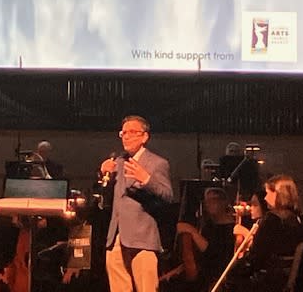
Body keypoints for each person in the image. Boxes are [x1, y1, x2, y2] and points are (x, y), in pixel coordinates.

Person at [99, 115, 173, 292]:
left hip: (143, 238)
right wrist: (103, 177)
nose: (126, 136)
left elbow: (168, 196)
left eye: (132, 132)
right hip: (116, 238)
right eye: (123, 132)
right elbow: (105, 203)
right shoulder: (117, 163)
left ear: (144, 137)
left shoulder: (157, 163)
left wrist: (146, 179)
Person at [243, 175, 303, 292]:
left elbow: (257, 256)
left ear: (279, 194)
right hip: (288, 281)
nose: (265, 198)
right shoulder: (298, 219)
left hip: (270, 282)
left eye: (268, 193)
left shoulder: (271, 220)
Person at [175, 187, 236, 290]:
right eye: (206, 201)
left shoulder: (232, 228)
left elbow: (213, 254)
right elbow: (200, 257)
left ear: (224, 202)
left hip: (219, 277)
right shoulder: (208, 226)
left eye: (213, 199)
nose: (208, 204)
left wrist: (192, 231)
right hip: (204, 274)